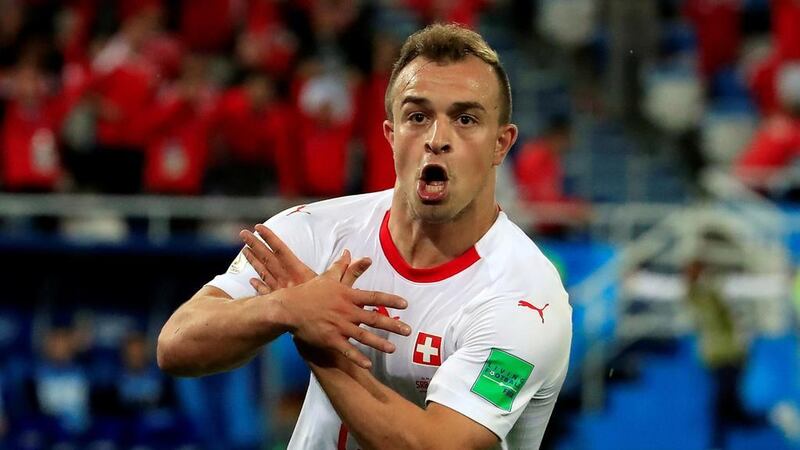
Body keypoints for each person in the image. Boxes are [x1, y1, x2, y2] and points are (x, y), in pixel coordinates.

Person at [157, 23, 572, 450]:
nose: (437, 139)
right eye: (417, 116)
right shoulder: (317, 232)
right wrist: (285, 306)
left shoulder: (526, 300)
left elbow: (436, 446)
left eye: (465, 119)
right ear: (391, 136)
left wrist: (321, 342)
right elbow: (176, 344)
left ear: (501, 145)